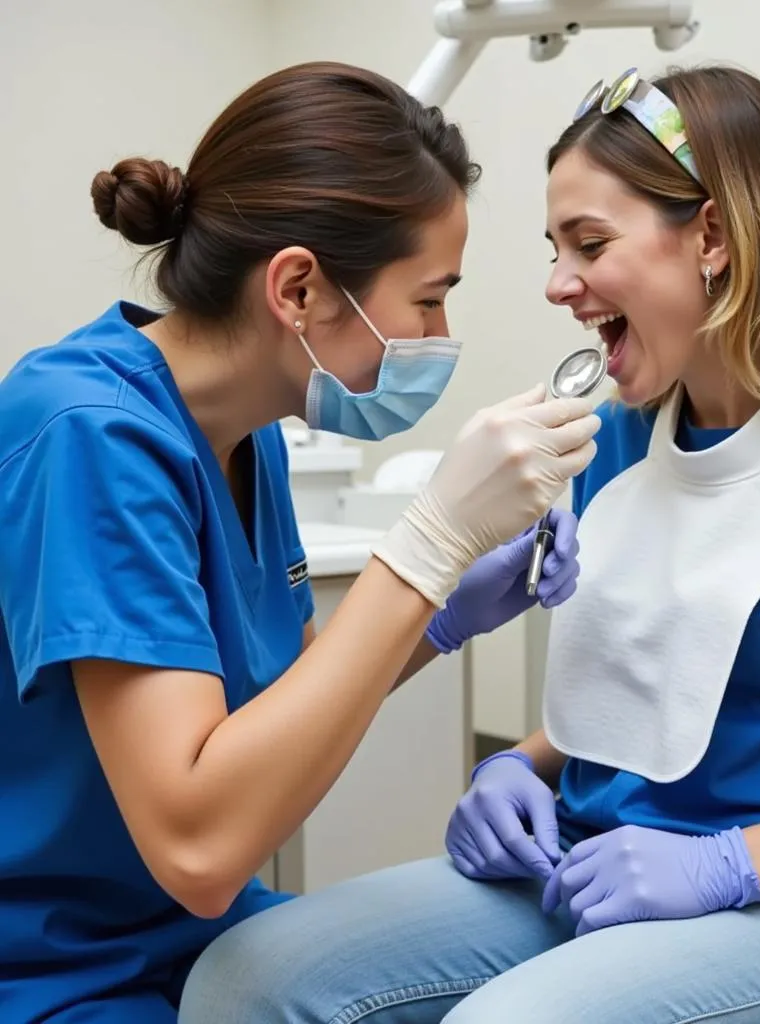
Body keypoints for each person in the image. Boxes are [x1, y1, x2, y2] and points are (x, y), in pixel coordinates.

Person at [177, 65, 760, 1024]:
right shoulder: (623, 431)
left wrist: (729, 862)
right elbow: (670, 693)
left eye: (589, 243)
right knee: (248, 980)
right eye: (555, 247)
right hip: (600, 861)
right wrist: (520, 768)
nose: (555, 285)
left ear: (712, 234)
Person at [0, 61, 602, 1024]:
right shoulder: (88, 431)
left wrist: (444, 615)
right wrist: (427, 546)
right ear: (298, 288)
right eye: (429, 298)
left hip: (188, 936)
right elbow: (198, 846)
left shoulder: (249, 432)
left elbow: (277, 700)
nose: (440, 334)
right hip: (54, 964)